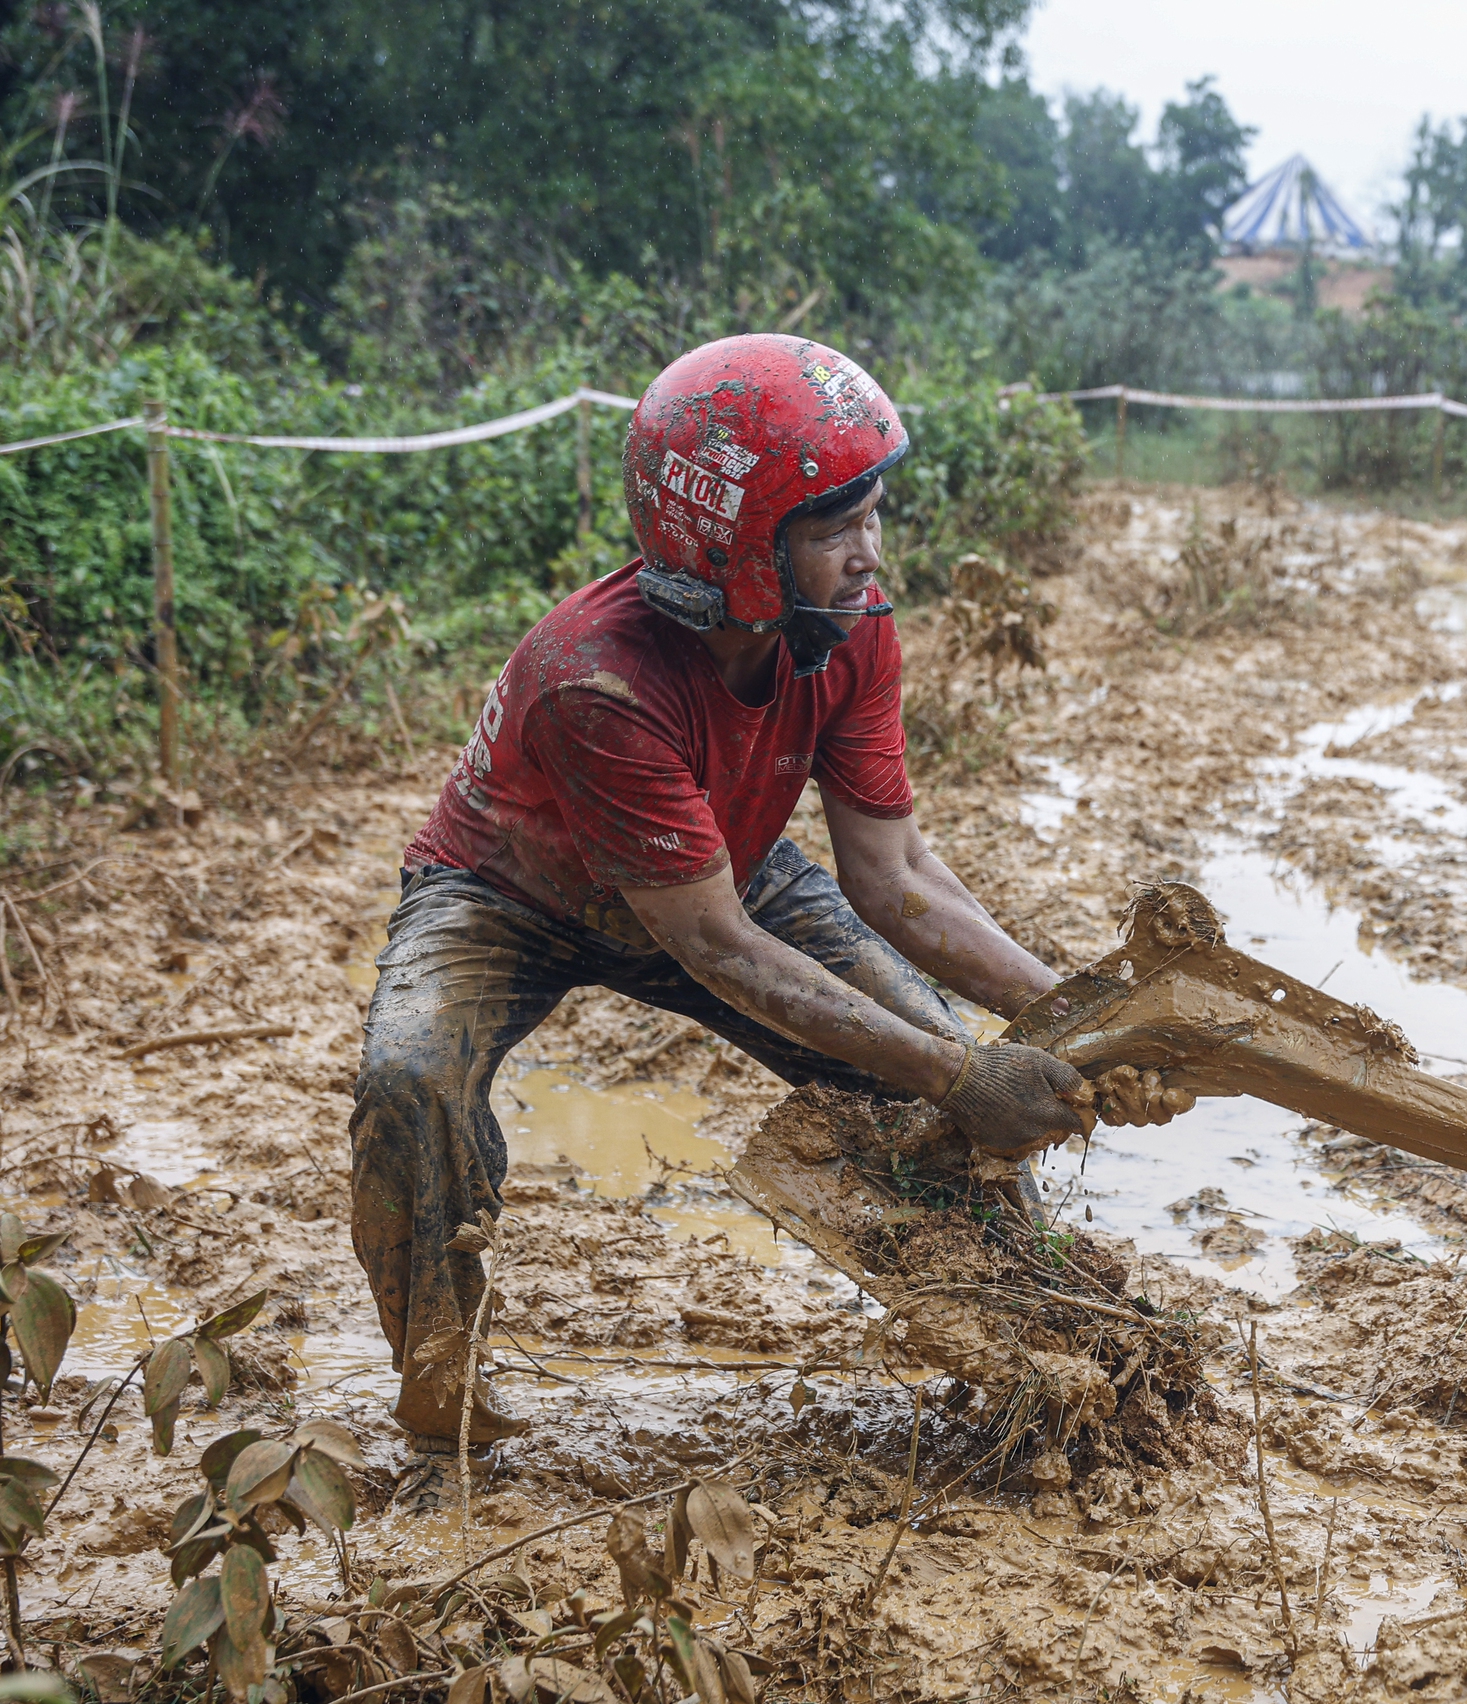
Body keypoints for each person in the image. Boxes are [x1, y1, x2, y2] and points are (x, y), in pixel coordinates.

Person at [350, 334, 1099, 1447]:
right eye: (835, 528)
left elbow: (894, 878)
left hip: (722, 868)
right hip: (507, 896)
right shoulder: (593, 679)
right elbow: (719, 951)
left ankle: (1050, 1349)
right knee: (410, 1080)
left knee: (931, 1068)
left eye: (874, 514)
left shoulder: (851, 633)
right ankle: (438, 1382)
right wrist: (965, 1069)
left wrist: (1078, 1017)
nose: (870, 551)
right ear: (735, 543)